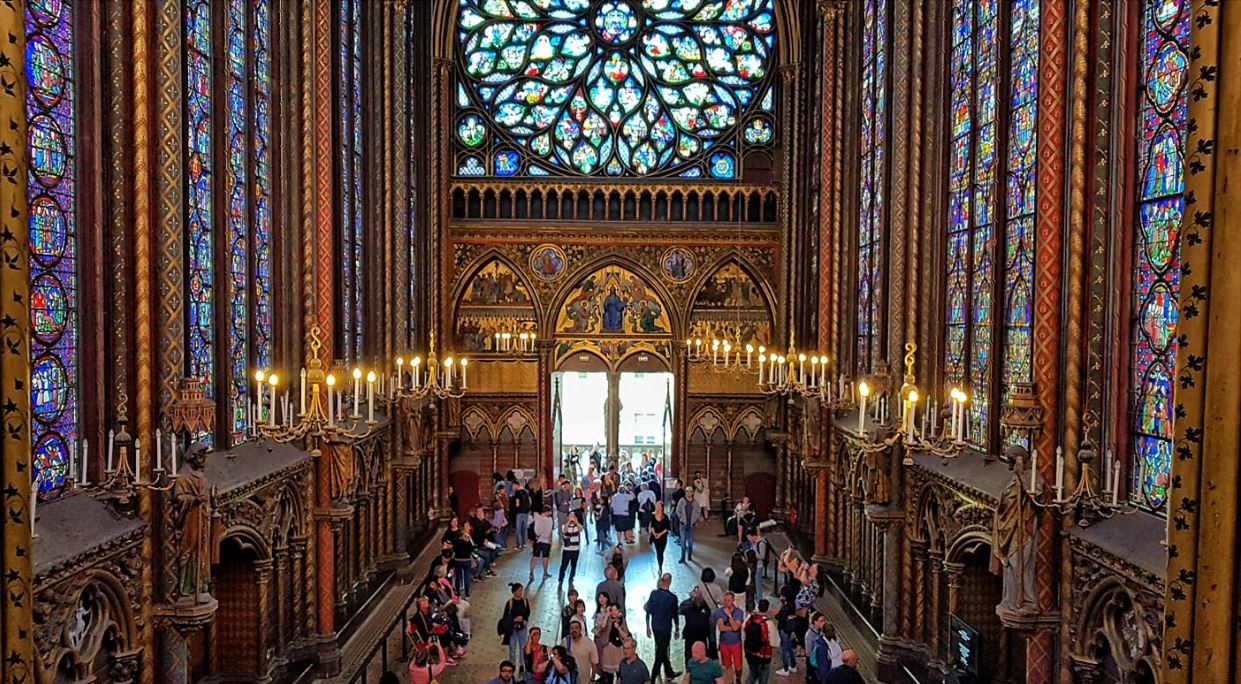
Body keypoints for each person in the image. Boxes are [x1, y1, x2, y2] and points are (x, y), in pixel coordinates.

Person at [644, 573, 682, 681]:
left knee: (662, 649)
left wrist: (647, 627)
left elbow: (648, 610)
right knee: (661, 652)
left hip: (655, 627)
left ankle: (669, 671)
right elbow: (675, 615)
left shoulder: (654, 594)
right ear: (670, 582)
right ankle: (652, 678)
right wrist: (677, 629)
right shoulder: (672, 598)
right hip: (665, 628)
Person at [713, 592, 745, 682]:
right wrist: (733, 627)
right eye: (725, 600)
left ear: (733, 600)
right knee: (727, 665)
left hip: (736, 643)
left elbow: (736, 627)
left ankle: (738, 678)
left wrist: (729, 616)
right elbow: (721, 628)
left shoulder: (739, 612)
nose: (726, 602)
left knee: (738, 666)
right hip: (724, 643)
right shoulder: (719, 612)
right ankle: (730, 681)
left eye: (728, 600)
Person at [679, 586, 713, 671]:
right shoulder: (689, 607)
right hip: (691, 637)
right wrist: (692, 599)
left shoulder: (705, 607)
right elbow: (680, 610)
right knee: (690, 657)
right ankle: (690, 672)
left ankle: (700, 672)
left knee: (701, 658)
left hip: (700, 637)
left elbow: (709, 613)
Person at [500, 584, 532, 670]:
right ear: (514, 592)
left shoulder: (525, 601)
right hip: (512, 628)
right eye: (519, 590)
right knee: (512, 647)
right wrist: (514, 619)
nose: (521, 592)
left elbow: (528, 611)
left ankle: (522, 664)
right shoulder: (510, 602)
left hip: (522, 627)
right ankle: (512, 664)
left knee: (523, 646)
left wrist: (525, 619)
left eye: (521, 590)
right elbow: (505, 616)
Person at [742, 599, 774, 684]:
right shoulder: (769, 623)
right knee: (763, 677)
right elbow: (775, 642)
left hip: (749, 653)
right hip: (763, 656)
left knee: (752, 674)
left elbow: (743, 632)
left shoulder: (749, 619)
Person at [598, 603, 631, 683]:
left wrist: (618, 628)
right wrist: (607, 615)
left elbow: (625, 635)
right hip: (609, 648)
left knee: (620, 671)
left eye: (615, 610)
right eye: (612, 610)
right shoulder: (608, 619)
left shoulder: (622, 620)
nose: (614, 612)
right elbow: (603, 626)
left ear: (619, 610)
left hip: (619, 649)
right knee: (609, 674)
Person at [563, 618, 599, 683]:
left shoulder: (589, 643)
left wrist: (592, 679)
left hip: (584, 681)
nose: (574, 630)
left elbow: (594, 663)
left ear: (580, 629)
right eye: (572, 628)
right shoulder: (565, 641)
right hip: (569, 680)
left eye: (576, 628)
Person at [773, 594, 799, 677]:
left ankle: (785, 669)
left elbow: (782, 618)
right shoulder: (792, 604)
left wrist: (776, 615)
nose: (781, 597)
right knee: (789, 647)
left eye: (782, 596)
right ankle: (793, 665)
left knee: (784, 649)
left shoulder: (786, 607)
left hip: (784, 629)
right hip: (789, 629)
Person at [675, 488, 704, 563]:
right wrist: (680, 517)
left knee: (690, 541)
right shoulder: (682, 501)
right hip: (683, 524)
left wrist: (696, 520)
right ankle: (683, 557)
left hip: (691, 525)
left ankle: (689, 556)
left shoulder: (695, 503)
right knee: (683, 541)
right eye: (687, 491)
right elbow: (678, 510)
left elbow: (698, 512)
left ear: (693, 493)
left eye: (690, 491)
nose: (688, 493)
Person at [530, 505, 554, 581]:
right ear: (546, 512)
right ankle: (545, 573)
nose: (550, 513)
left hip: (537, 541)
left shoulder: (537, 517)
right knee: (545, 558)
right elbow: (550, 532)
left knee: (535, 557)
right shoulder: (550, 520)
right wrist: (550, 541)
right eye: (549, 512)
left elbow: (534, 513)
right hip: (546, 541)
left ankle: (531, 573)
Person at [558, 512, 583, 586]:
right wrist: (568, 522)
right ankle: (561, 579)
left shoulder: (577, 526)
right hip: (567, 550)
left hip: (576, 549)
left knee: (574, 565)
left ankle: (571, 578)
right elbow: (564, 530)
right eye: (570, 516)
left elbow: (581, 529)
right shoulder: (564, 525)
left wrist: (576, 522)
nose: (572, 518)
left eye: (573, 516)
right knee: (564, 565)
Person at [804, 612, 830, 683]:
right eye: (821, 621)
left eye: (824, 620)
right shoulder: (809, 635)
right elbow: (808, 652)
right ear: (815, 621)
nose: (823, 623)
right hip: (813, 660)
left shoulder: (821, 631)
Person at [651, 500, 672, 571]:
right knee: (658, 552)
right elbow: (652, 526)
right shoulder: (653, 516)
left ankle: (660, 564)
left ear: (662, 508)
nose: (657, 507)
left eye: (658, 506)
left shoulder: (665, 517)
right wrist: (654, 534)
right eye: (656, 506)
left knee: (661, 552)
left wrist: (660, 534)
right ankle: (660, 566)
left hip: (663, 537)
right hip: (655, 537)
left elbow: (667, 528)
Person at [511, 480, 532, 549]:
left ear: (516, 485)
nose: (512, 488)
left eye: (513, 486)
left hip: (519, 512)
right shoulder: (526, 492)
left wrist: (514, 507)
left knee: (518, 529)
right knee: (524, 528)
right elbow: (530, 501)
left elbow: (517, 504)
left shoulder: (517, 493)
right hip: (526, 512)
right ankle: (524, 543)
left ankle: (519, 544)